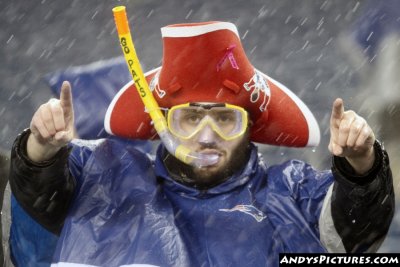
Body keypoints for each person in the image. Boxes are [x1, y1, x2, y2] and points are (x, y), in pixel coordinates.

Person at [9, 21, 394, 267]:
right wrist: (41, 148)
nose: (207, 136)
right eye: (190, 118)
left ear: (251, 127)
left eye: (226, 119)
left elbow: (355, 231)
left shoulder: (292, 194)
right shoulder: (104, 171)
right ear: (161, 124)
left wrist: (361, 163)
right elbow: (40, 195)